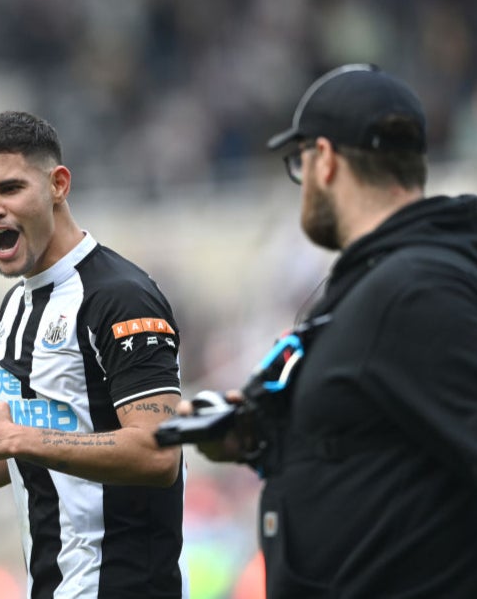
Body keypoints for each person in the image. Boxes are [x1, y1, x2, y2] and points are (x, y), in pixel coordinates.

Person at [180, 64, 477, 597]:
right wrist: (254, 436)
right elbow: (373, 440)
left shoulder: (412, 289)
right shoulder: (378, 279)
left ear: (327, 161)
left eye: (299, 162)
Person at [0, 110, 189, 598]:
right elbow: (17, 454)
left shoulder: (120, 297)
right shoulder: (12, 311)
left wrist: (14, 437)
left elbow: (158, 454)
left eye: (8, 189)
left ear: (58, 185)